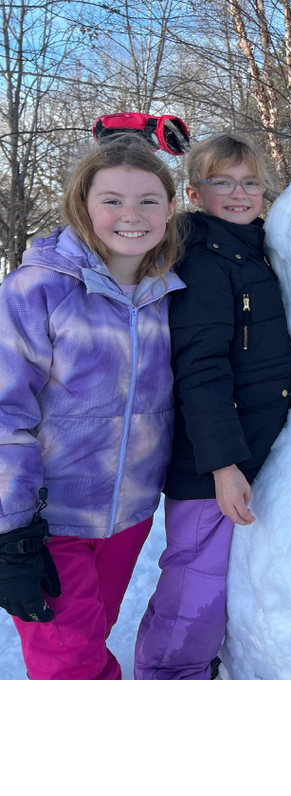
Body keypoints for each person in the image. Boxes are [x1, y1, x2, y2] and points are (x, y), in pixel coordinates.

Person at [0, 136, 182, 680]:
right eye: (112, 201)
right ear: (84, 206)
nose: (132, 215)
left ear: (171, 209)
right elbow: (5, 410)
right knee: (70, 668)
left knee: (88, 638)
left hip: (128, 519)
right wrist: (11, 529)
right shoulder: (37, 290)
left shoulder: (172, 295)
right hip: (48, 522)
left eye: (149, 200)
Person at [134, 133, 291, 680]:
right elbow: (201, 369)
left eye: (250, 182)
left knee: (214, 576)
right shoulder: (205, 260)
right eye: (222, 182)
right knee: (195, 580)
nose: (238, 193)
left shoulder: (255, 250)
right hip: (212, 458)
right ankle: (169, 676)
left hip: (248, 444)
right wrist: (223, 467)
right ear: (194, 192)